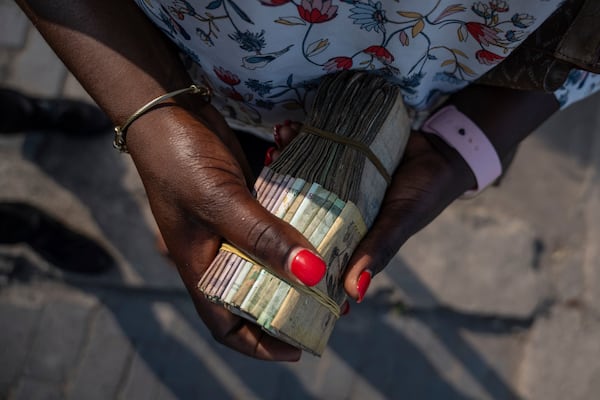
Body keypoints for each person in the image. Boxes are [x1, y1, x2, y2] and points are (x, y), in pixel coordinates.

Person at [15, 0, 600, 361]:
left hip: (441, 81)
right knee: (235, 167)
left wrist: (468, 143)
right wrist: (154, 115)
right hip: (213, 70)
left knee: (257, 179)